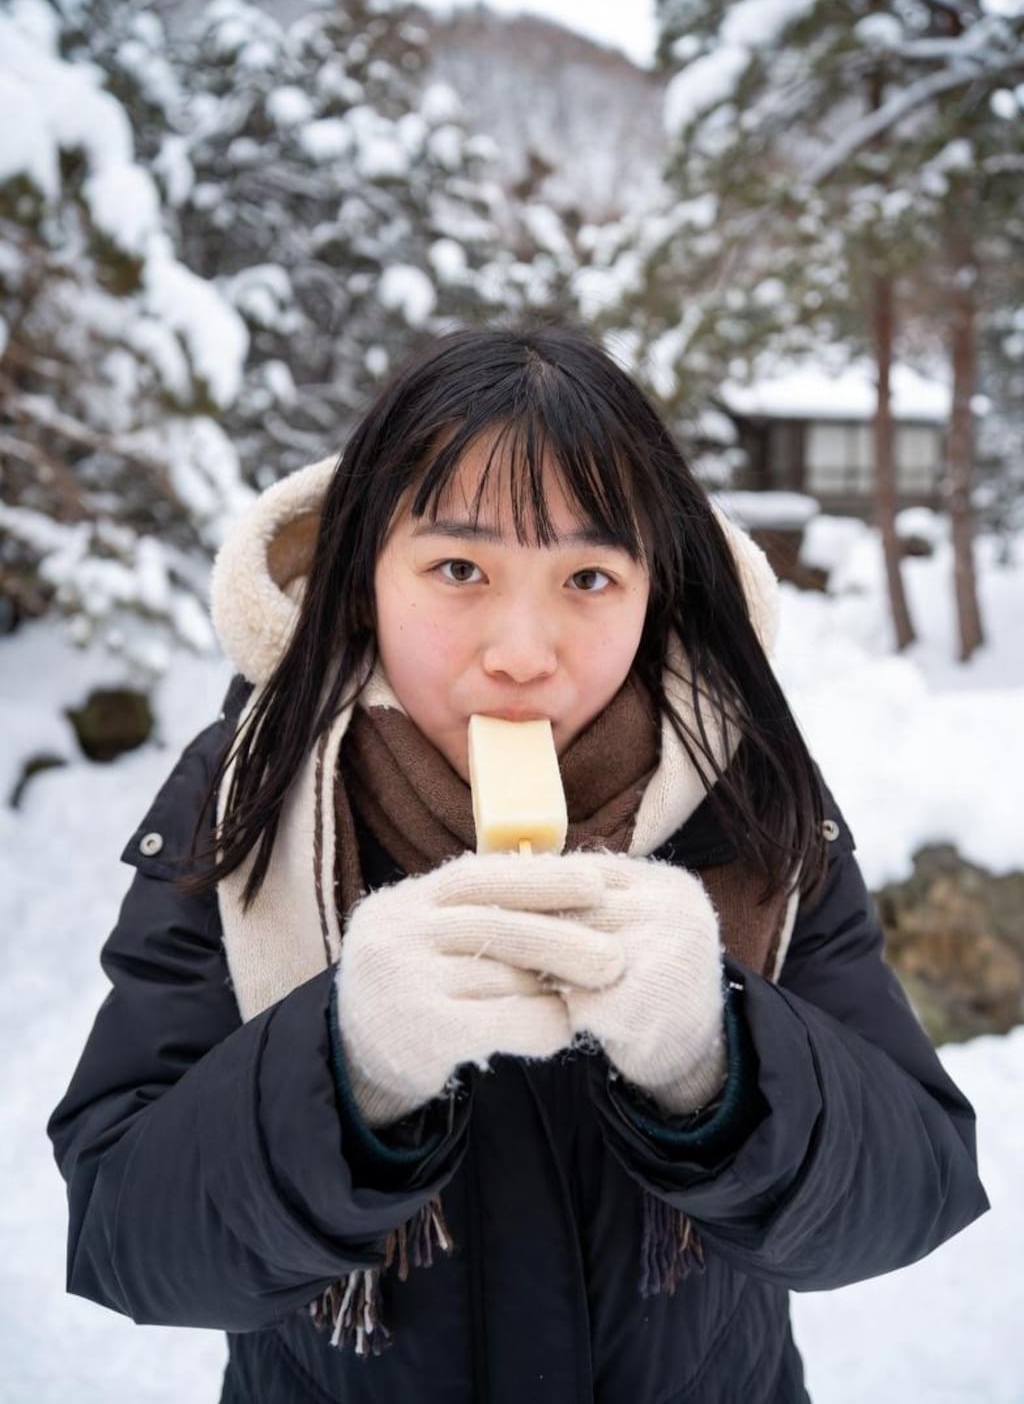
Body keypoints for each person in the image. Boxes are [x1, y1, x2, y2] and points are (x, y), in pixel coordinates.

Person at [47, 322, 989, 1403]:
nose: (524, 654)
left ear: (658, 590)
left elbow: (911, 1190)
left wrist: (717, 1056)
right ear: (361, 577)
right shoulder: (247, 797)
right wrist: (345, 1062)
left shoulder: (750, 794)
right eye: (459, 568)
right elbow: (125, 1233)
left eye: (588, 575)